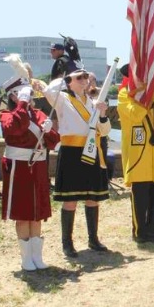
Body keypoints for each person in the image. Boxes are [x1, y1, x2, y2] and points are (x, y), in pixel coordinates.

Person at [44, 60, 111, 257]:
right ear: (69, 81)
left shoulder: (92, 102)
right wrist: (68, 73)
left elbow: (104, 130)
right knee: (70, 200)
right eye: (79, 78)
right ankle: (67, 243)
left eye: (85, 77)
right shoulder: (62, 99)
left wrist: (103, 113)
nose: (84, 80)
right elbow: (49, 90)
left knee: (93, 198)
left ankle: (93, 239)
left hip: (91, 149)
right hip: (72, 152)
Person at [0, 73, 60, 271]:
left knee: (37, 212)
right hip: (19, 167)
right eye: (22, 93)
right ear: (13, 96)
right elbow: (17, 128)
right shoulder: (8, 115)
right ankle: (26, 258)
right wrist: (23, 105)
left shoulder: (39, 113)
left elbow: (52, 142)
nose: (28, 96)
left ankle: (37, 256)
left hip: (39, 166)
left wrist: (50, 130)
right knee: (23, 212)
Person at [118, 64, 154, 243]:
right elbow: (136, 115)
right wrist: (145, 97)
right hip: (139, 153)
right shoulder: (124, 95)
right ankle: (140, 231)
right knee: (141, 193)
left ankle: (153, 227)